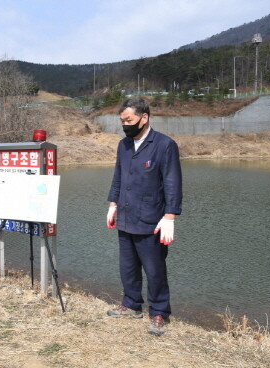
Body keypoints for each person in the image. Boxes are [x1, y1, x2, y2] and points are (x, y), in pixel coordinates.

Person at [106, 97, 182, 336]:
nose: (125, 125)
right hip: (126, 214)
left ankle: (159, 312)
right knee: (127, 266)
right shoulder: (124, 145)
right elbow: (118, 176)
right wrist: (112, 203)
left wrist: (170, 215)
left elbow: (172, 182)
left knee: (154, 268)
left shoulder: (164, 145)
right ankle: (131, 304)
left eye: (129, 120)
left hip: (152, 218)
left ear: (144, 118)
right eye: (122, 121)